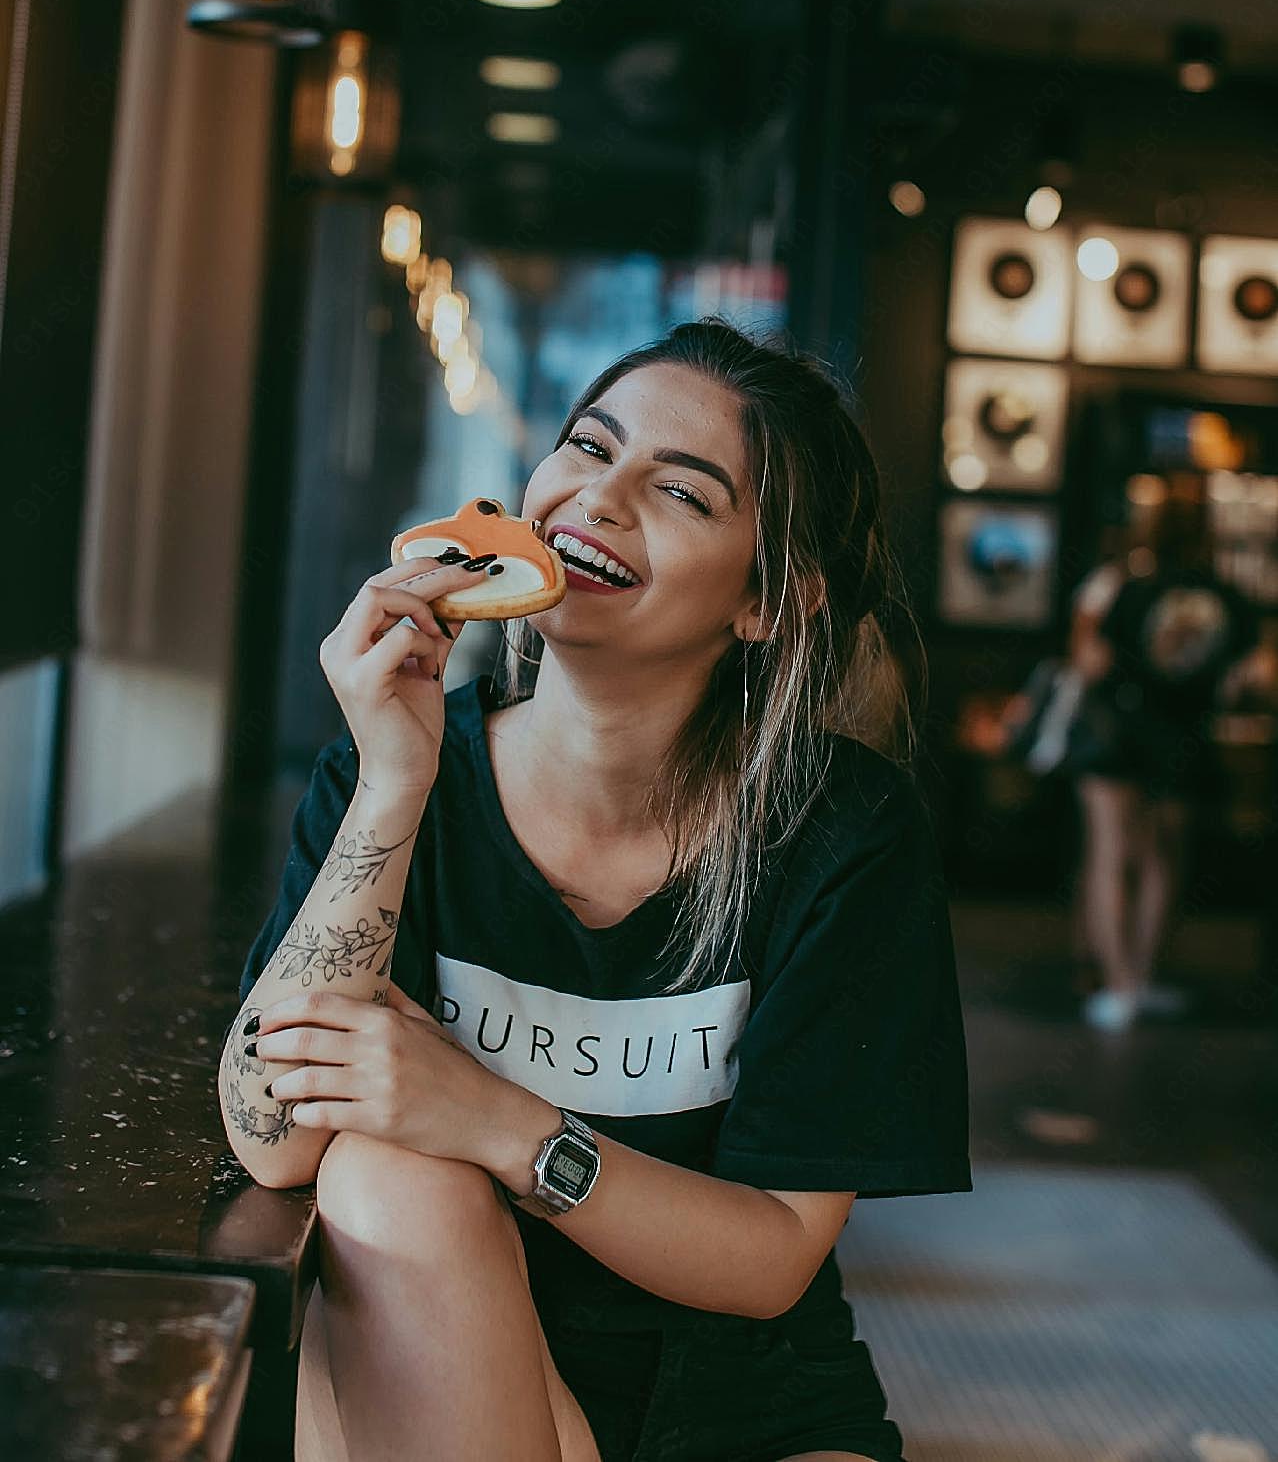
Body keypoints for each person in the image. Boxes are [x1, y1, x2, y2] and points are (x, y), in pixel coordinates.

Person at [221, 316, 972, 1462]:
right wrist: (394, 782)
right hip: (435, 1355)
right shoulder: (399, 775)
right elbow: (274, 1140)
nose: (597, 499)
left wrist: (492, 1119)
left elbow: (774, 1260)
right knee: (376, 1170)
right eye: (587, 445)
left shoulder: (844, 836)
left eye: (682, 492)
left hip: (737, 1397)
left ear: (770, 602)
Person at [1069, 481, 1265, 1032]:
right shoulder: (1227, 597)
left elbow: (1092, 665)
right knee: (1163, 860)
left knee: (1111, 855)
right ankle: (1146, 976)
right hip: (1181, 740)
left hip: (1116, 736)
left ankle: (1119, 986)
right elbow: (1251, 674)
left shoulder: (1130, 588)